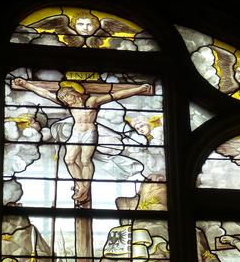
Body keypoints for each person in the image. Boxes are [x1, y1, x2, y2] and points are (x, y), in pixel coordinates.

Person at [13, 77, 150, 204]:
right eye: (64, 99)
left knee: (85, 160)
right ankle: (81, 185)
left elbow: (117, 95)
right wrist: (26, 84)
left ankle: (85, 187)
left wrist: (139, 89)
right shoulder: (69, 105)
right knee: (69, 160)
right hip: (76, 133)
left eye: (67, 97)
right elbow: (46, 94)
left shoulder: (92, 101)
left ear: (74, 93)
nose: (66, 101)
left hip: (89, 133)